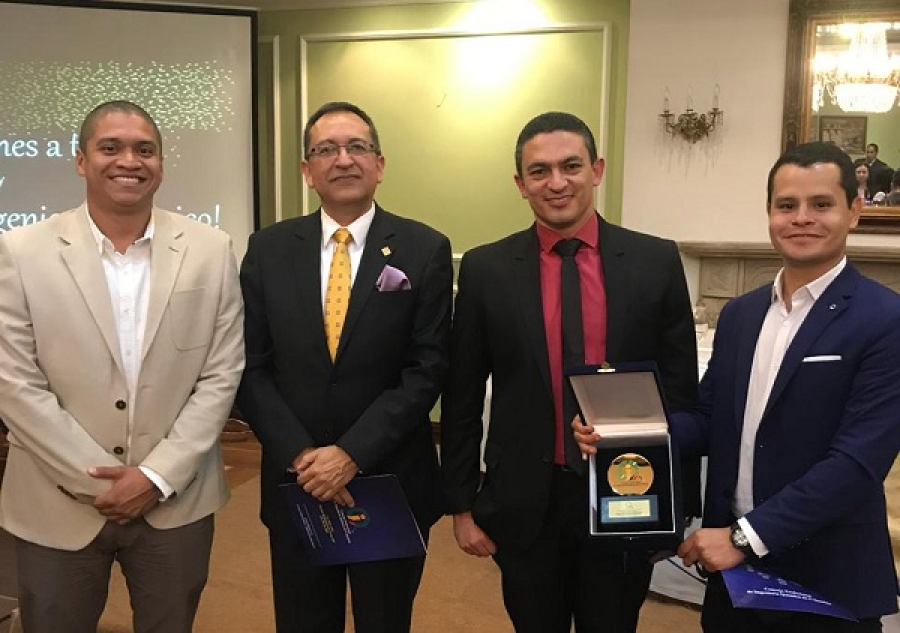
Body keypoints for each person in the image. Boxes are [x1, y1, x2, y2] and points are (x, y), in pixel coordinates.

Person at [576, 141, 900, 632]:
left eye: (821, 204)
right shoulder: (741, 315)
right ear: (769, 213)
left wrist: (744, 537)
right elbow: (710, 418)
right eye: (786, 205)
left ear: (854, 211)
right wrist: (624, 431)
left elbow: (855, 465)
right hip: (736, 576)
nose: (802, 218)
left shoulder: (885, 319)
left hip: (826, 569)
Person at [440, 111, 700, 633]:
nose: (556, 182)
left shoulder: (654, 261)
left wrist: (676, 511)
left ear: (596, 170)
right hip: (525, 502)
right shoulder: (487, 270)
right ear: (521, 184)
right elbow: (462, 393)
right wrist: (461, 506)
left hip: (627, 491)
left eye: (571, 166)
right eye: (539, 171)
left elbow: (680, 393)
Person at [0, 100, 245, 633]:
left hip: (176, 500)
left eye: (144, 150)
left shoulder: (211, 249)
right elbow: (13, 383)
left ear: (161, 162)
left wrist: (156, 477)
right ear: (81, 160)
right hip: (54, 501)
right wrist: (98, 482)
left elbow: (221, 373)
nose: (129, 161)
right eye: (110, 148)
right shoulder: (20, 251)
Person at [237, 101, 452, 633]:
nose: (343, 159)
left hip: (389, 481)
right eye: (326, 149)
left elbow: (426, 369)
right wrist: (303, 457)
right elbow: (251, 366)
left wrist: (351, 454)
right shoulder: (267, 249)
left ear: (379, 164)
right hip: (299, 483)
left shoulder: (424, 248)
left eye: (357, 146)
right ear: (307, 170)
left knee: (385, 621)